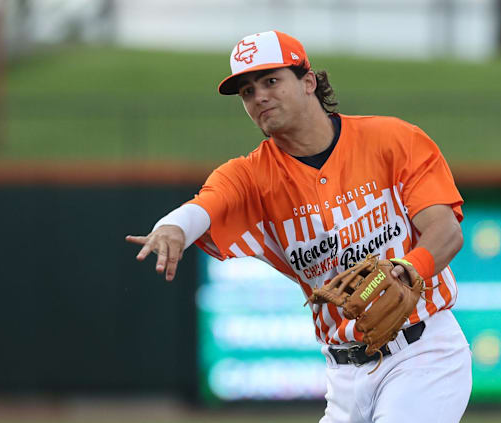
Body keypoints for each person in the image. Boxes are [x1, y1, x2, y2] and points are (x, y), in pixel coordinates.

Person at [126, 30, 472, 423]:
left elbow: (445, 231)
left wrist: (410, 269)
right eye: (247, 92)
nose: (259, 98)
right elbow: (206, 205)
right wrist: (173, 226)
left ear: (309, 82)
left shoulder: (392, 139)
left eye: (271, 81)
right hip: (344, 376)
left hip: (423, 353)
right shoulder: (251, 177)